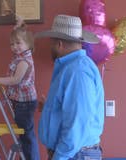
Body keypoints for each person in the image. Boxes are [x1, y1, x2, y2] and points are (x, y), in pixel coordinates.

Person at [36, 14, 105, 160]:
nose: (50, 47)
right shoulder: (73, 68)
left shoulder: (77, 71)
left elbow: (78, 123)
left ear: (59, 44)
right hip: (73, 154)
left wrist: (59, 157)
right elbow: (72, 111)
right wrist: (49, 108)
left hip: (73, 155)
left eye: (51, 43)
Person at [0, 17, 40, 160]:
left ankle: (31, 157)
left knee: (27, 134)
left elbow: (16, 79)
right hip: (21, 102)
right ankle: (26, 155)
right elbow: (18, 37)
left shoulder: (24, 61)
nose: (15, 47)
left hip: (25, 103)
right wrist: (18, 28)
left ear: (28, 44)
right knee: (24, 133)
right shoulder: (20, 56)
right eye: (12, 44)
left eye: (18, 43)